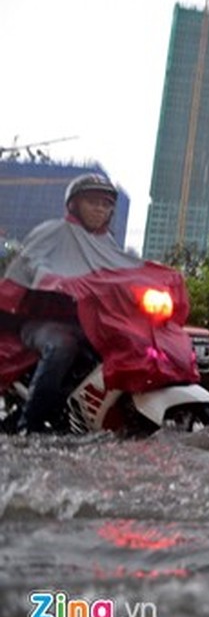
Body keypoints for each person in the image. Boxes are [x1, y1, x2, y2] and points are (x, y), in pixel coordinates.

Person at [5, 174, 122, 432]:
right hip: (41, 320)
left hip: (89, 323)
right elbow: (30, 262)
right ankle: (30, 426)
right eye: (93, 202)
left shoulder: (107, 244)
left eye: (105, 204)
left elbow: (124, 274)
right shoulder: (54, 231)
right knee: (62, 345)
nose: (100, 209)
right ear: (74, 204)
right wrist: (53, 277)